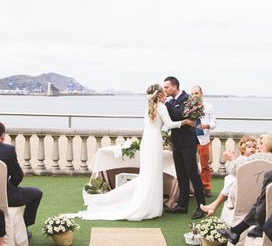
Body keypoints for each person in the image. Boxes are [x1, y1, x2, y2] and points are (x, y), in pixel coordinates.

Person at [78, 83, 193, 221]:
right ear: (160, 94)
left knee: (148, 173)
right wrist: (185, 122)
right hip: (154, 142)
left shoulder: (148, 107)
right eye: (163, 92)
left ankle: (148, 204)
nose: (165, 94)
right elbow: (169, 125)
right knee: (154, 173)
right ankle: (150, 207)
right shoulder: (161, 107)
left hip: (147, 141)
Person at [0, 121, 43, 234]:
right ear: (3, 136)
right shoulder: (8, 150)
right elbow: (18, 175)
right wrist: (9, 187)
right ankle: (24, 228)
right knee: (37, 193)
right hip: (6, 196)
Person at [163, 76, 207, 219]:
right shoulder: (173, 101)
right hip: (176, 143)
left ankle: (202, 207)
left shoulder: (188, 99)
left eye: (167, 87)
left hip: (188, 143)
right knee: (181, 174)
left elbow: (179, 116)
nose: (165, 90)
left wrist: (166, 104)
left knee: (193, 174)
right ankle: (182, 205)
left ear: (175, 87)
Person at [200, 135, 259, 216]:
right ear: (243, 149)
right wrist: (233, 160)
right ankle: (214, 206)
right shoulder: (241, 158)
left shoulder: (253, 158)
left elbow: (240, 171)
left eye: (254, 147)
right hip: (242, 180)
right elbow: (232, 170)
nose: (252, 149)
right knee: (230, 179)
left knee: (231, 180)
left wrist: (233, 159)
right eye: (249, 147)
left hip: (246, 180)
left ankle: (215, 205)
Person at [191, 85, 216, 198]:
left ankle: (206, 187)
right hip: (190, 139)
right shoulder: (188, 106)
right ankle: (193, 188)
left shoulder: (209, 107)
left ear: (201, 93)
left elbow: (214, 123)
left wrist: (207, 125)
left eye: (196, 93)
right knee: (190, 165)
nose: (194, 95)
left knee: (205, 165)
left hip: (203, 139)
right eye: (193, 93)